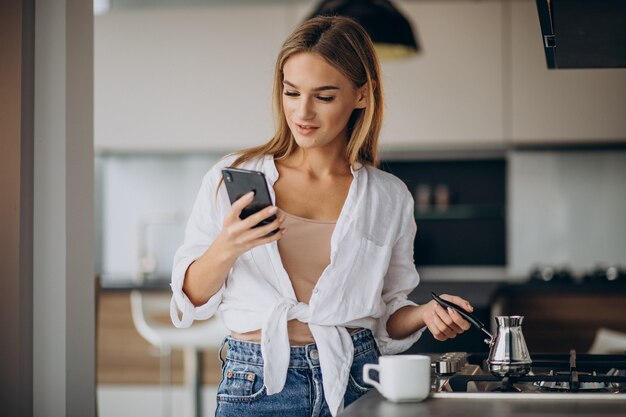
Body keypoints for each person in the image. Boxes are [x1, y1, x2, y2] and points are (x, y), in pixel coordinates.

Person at [170, 15, 473, 417]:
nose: (303, 112)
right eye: (291, 92)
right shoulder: (234, 177)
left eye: (324, 97)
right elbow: (190, 298)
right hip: (257, 381)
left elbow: (386, 313)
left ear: (362, 95)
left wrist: (422, 314)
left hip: (357, 377)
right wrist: (227, 246)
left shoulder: (388, 197)